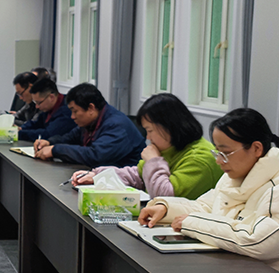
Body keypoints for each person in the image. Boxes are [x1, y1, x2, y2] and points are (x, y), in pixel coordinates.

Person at [138, 108, 279, 273]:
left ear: (256, 148)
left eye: (225, 153)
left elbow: (262, 243)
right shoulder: (238, 171)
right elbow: (208, 206)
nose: (219, 161)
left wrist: (191, 223)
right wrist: (166, 209)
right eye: (217, 152)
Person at [70, 93, 222, 198]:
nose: (148, 137)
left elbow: (164, 197)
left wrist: (153, 161)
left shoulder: (200, 158)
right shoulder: (171, 148)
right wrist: (98, 175)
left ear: (169, 127)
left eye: (150, 131)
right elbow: (138, 176)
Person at [32, 82, 145, 166]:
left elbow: (96, 156)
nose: (72, 116)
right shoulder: (91, 121)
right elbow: (70, 138)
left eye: (75, 111)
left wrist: (55, 150)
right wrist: (49, 142)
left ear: (91, 108)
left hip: (124, 184)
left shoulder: (116, 125)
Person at [18, 78, 77, 142]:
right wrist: (21, 128)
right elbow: (37, 123)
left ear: (51, 97)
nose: (37, 106)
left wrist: (19, 134)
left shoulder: (67, 111)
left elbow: (48, 134)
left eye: (39, 103)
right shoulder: (49, 107)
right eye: (35, 103)